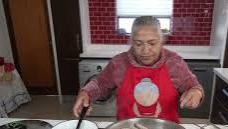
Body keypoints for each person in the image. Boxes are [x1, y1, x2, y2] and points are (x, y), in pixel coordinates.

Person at [73, 16, 204, 123]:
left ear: (162, 40)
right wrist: (86, 92)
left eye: (152, 43)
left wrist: (196, 93)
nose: (145, 51)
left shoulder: (174, 63)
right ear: (131, 41)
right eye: (138, 43)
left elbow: (193, 87)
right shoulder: (119, 63)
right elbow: (100, 84)